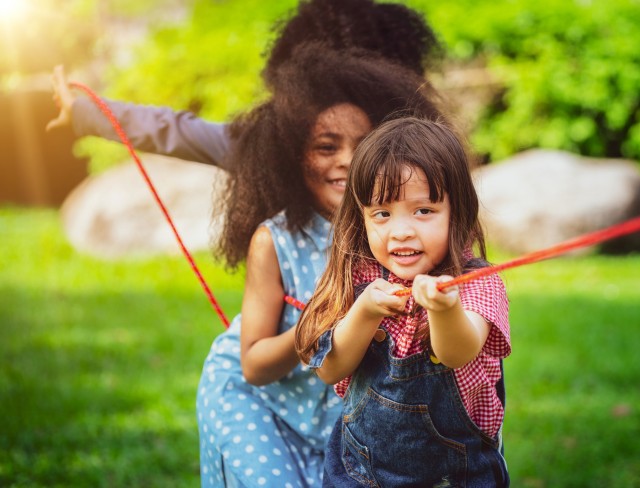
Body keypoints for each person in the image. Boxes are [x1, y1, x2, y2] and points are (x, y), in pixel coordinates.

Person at [197, 46, 442, 487]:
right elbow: (252, 365)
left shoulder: (394, 235)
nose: (347, 160)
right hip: (259, 406)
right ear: (291, 157)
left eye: (363, 144)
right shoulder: (274, 239)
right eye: (326, 147)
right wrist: (324, 323)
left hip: (343, 420)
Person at [295, 117, 511, 487]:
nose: (401, 230)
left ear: (455, 211)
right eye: (382, 213)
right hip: (358, 475)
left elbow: (459, 351)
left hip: (457, 477)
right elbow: (329, 370)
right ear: (362, 217)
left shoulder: (476, 282)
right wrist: (364, 312)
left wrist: (445, 309)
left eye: (423, 211)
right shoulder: (357, 278)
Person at [45, 0, 439, 169]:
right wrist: (86, 113)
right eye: (327, 141)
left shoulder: (417, 161)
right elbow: (178, 131)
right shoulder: (269, 149)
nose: (346, 160)